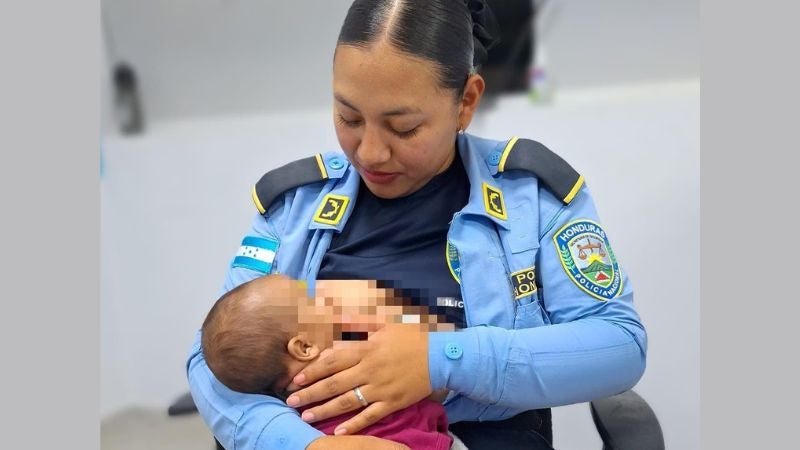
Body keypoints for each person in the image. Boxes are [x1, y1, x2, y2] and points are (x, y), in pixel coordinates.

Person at [186, 1, 648, 449]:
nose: (370, 153)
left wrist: (439, 360)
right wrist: (301, 444)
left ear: (466, 102)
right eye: (349, 117)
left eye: (403, 128)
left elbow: (620, 344)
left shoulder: (532, 197)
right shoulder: (294, 206)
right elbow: (212, 361)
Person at [200, 274, 464, 450]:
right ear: (304, 347)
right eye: (312, 301)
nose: (327, 299)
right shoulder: (356, 350)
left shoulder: (293, 408)